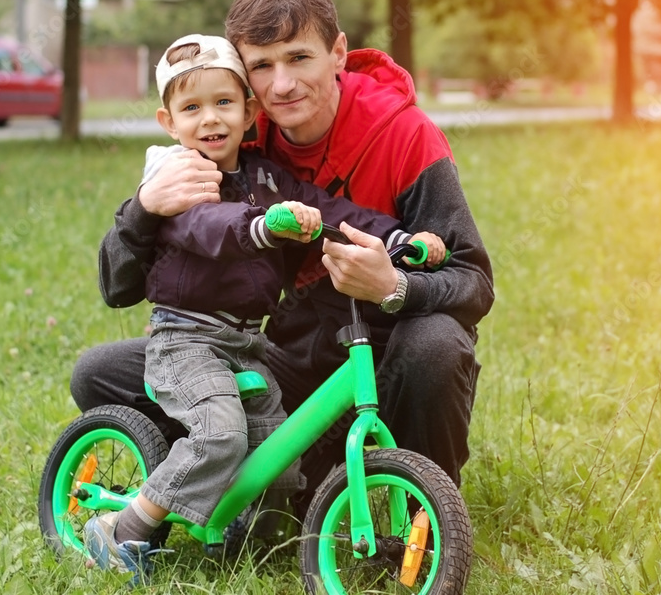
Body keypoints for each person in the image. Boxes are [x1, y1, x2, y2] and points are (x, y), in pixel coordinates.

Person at [71, 0, 494, 522]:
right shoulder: (232, 127)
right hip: (287, 360)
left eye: (299, 59)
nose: (282, 86)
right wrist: (144, 209)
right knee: (100, 373)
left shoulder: (407, 136)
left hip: (387, 362)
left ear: (338, 52)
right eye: (262, 66)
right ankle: (229, 481)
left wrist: (395, 286)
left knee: (436, 342)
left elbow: (473, 282)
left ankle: (425, 517)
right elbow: (118, 286)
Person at [83, 33, 443, 582]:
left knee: (277, 447)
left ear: (250, 111)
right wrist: (259, 226)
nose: (211, 120)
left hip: (247, 341)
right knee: (219, 432)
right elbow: (200, 226)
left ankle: (247, 535)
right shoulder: (176, 174)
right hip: (186, 338)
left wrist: (398, 238)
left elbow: (330, 208)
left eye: (224, 103)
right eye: (192, 108)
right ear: (168, 120)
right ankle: (125, 528)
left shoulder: (266, 177)